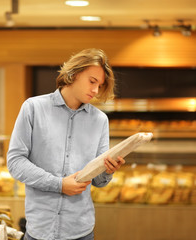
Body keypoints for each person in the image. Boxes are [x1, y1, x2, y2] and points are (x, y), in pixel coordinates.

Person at [7, 48, 125, 240]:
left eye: (100, 85)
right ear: (73, 74)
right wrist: (59, 184)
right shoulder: (33, 108)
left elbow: (98, 181)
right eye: (92, 81)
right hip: (39, 231)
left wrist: (108, 171)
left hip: (81, 231)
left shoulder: (100, 120)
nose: (95, 91)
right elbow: (15, 162)